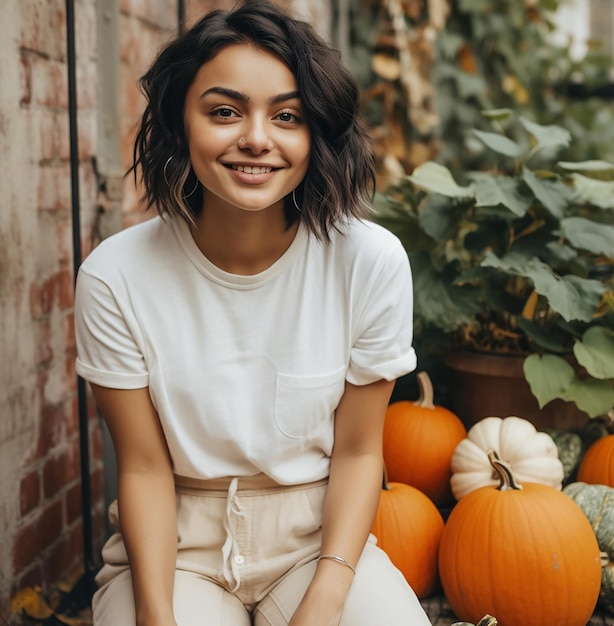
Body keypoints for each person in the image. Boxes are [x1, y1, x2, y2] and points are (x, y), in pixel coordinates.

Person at [74, 1, 431, 624]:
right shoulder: (116, 275)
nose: (257, 139)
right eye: (224, 111)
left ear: (315, 129)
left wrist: (326, 596)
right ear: (180, 120)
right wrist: (157, 616)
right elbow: (143, 467)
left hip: (316, 543)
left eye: (287, 116)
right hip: (177, 547)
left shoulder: (368, 261)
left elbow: (356, 453)